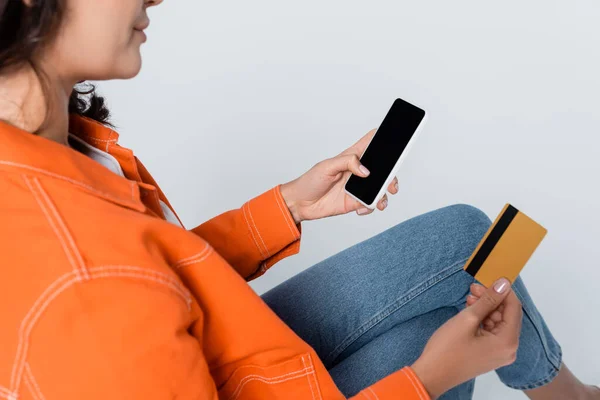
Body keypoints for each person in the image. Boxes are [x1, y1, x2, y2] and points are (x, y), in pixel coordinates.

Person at [0, 0, 597, 399]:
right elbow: (119, 284)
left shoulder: (59, 150)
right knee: (444, 329)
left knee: (462, 241)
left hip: (218, 358)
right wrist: (427, 378)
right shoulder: (77, 268)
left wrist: (287, 207)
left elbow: (157, 275)